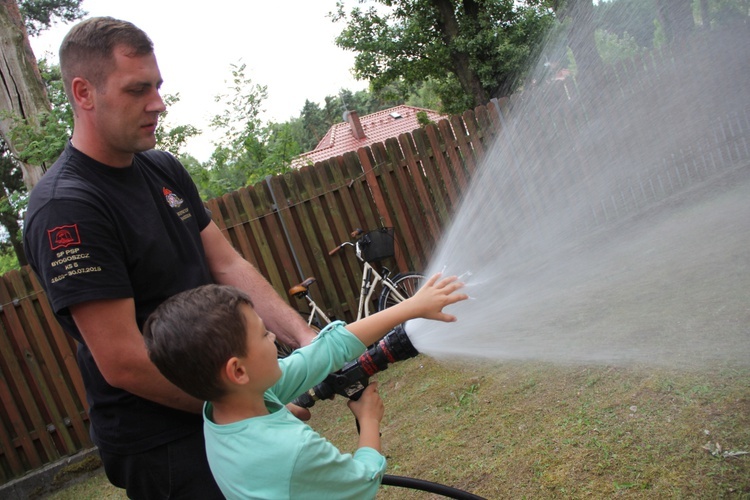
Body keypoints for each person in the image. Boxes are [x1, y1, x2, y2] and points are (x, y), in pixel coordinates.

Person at [22, 16, 316, 499]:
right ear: (83, 92)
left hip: (226, 408)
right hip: (163, 441)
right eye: (137, 90)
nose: (157, 104)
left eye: (157, 86)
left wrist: (308, 341)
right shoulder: (67, 208)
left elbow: (227, 265)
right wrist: (246, 404)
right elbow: (123, 360)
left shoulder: (161, 167)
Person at [142, 273, 467, 499]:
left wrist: (409, 308)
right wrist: (369, 420)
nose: (273, 338)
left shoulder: (220, 409)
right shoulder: (291, 449)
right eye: (264, 334)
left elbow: (324, 351)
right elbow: (362, 482)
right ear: (238, 371)